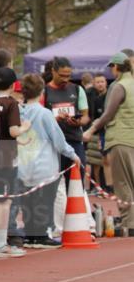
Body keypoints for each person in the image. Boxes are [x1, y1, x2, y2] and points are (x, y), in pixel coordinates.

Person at [17, 73, 79, 247]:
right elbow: (58, 140)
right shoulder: (45, 114)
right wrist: (73, 154)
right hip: (44, 165)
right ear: (41, 92)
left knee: (27, 201)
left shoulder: (19, 111)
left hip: (23, 164)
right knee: (44, 201)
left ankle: (30, 234)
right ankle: (41, 234)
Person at [0, 67, 30, 258]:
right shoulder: (11, 103)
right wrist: (25, 127)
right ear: (12, 85)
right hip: (6, 159)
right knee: (4, 202)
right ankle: (1, 243)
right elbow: (12, 131)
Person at [83, 53, 134, 237]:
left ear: (116, 67)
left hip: (121, 138)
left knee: (123, 183)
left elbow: (108, 114)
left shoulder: (120, 86)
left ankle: (129, 222)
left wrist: (91, 129)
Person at [43, 56, 91, 237]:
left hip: (74, 140)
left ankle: (82, 225)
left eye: (68, 75)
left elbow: (86, 115)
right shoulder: (45, 91)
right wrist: (55, 119)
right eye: (62, 75)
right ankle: (51, 226)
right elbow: (41, 115)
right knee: (52, 186)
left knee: (76, 184)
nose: (65, 79)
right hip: (52, 144)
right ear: (53, 72)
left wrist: (77, 121)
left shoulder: (77, 89)